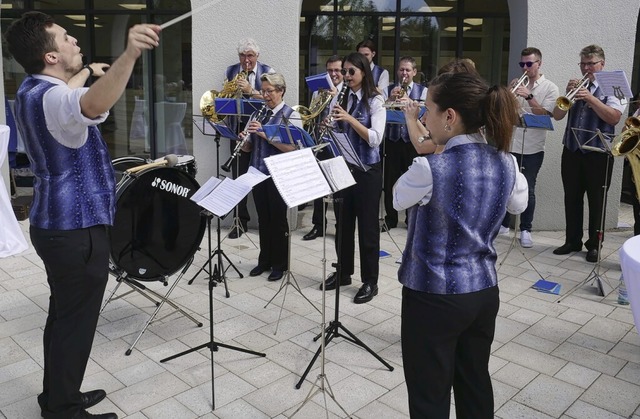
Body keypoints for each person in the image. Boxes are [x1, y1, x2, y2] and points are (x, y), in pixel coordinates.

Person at [4, 11, 160, 419]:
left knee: (62, 318)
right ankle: (64, 411)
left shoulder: (29, 89)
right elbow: (90, 103)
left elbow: (70, 91)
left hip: (53, 226)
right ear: (51, 56)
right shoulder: (56, 98)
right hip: (76, 229)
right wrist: (129, 55)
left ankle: (56, 396)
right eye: (66, 38)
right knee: (74, 324)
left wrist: (87, 70)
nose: (75, 40)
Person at [393, 71, 528, 418]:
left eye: (428, 110)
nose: (424, 117)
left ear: (449, 116)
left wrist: (434, 148)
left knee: (429, 394)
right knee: (474, 382)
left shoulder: (429, 167)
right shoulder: (508, 163)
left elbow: (396, 199)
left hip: (433, 295)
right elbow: (519, 206)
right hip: (483, 291)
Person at [320, 52, 386, 304]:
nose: (345, 76)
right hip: (343, 168)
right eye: (344, 72)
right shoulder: (340, 96)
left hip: (367, 170)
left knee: (368, 228)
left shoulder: (375, 100)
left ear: (363, 73)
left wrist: (348, 118)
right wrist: (331, 124)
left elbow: (375, 138)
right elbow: (338, 130)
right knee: (342, 224)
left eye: (350, 72)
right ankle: (344, 272)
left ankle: (370, 281)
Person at [552, 45, 626, 262]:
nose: (586, 68)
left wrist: (591, 99)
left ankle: (594, 244)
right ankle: (572, 240)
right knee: (571, 197)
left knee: (597, 200)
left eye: (591, 64)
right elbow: (557, 115)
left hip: (599, 153)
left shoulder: (614, 83)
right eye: (583, 64)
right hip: (572, 150)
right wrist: (567, 95)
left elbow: (613, 118)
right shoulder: (576, 85)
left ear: (602, 64)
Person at [241, 73, 302, 281]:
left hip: (279, 176)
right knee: (263, 219)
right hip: (257, 173)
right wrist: (245, 140)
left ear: (281, 91)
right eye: (263, 91)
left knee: (278, 221)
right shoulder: (257, 114)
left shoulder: (291, 115)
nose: (265, 95)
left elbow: (293, 148)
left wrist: (264, 134)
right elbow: (248, 148)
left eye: (269, 91)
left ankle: (280, 264)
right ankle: (264, 260)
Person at [499, 47, 559, 248]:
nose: (525, 68)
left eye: (529, 64)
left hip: (533, 147)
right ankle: (504, 224)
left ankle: (526, 229)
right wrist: (509, 93)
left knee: (528, 188)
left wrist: (529, 96)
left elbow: (546, 114)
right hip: (512, 142)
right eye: (522, 64)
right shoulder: (519, 85)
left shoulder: (550, 88)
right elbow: (504, 112)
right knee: (507, 184)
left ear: (539, 63)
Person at [223, 38, 275, 239]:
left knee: (261, 179)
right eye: (243, 56)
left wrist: (250, 91)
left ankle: (266, 222)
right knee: (238, 179)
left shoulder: (268, 71)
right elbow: (225, 97)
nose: (246, 60)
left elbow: (273, 97)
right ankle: (240, 222)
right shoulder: (231, 71)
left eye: (250, 56)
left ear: (257, 56)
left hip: (261, 133)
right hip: (238, 133)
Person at [381, 56, 428, 232]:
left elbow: (424, 114)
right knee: (390, 181)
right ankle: (390, 219)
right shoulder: (388, 90)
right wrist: (389, 101)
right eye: (401, 70)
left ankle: (411, 220)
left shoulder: (423, 91)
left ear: (414, 72)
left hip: (412, 142)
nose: (404, 73)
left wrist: (408, 100)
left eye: (408, 70)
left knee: (413, 181)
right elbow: (380, 112)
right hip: (392, 141)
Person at [303, 55, 343, 241]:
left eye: (337, 70)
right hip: (320, 142)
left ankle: (341, 226)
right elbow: (312, 115)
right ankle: (318, 225)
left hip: (339, 145)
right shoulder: (318, 91)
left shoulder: (347, 92)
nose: (333, 74)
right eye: (330, 70)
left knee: (340, 189)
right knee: (319, 186)